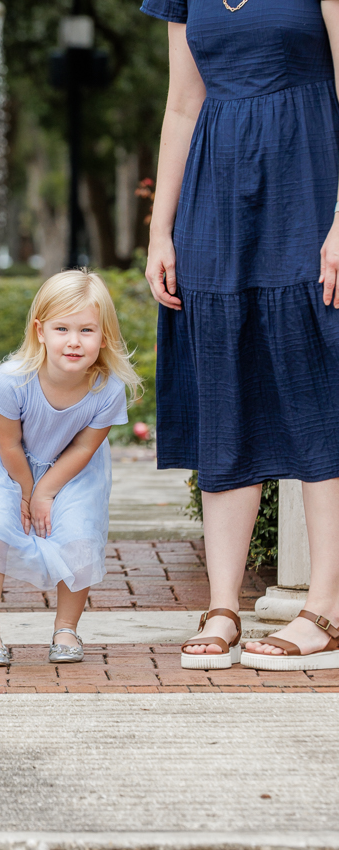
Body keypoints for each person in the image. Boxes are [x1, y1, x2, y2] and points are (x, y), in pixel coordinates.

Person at [142, 0, 339, 672]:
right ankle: (221, 604)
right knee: (223, 386)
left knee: (318, 386)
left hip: (307, 179)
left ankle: (322, 609)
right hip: (215, 193)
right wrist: (159, 230)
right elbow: (180, 104)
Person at [0, 270, 141, 665]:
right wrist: (26, 490)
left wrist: (46, 490)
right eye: (62, 328)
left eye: (87, 330)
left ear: (105, 336)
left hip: (72, 466)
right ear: (41, 331)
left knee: (79, 532)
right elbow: (8, 444)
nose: (74, 342)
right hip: (5, 465)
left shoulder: (106, 390)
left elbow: (85, 447)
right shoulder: (12, 381)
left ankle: (66, 628)